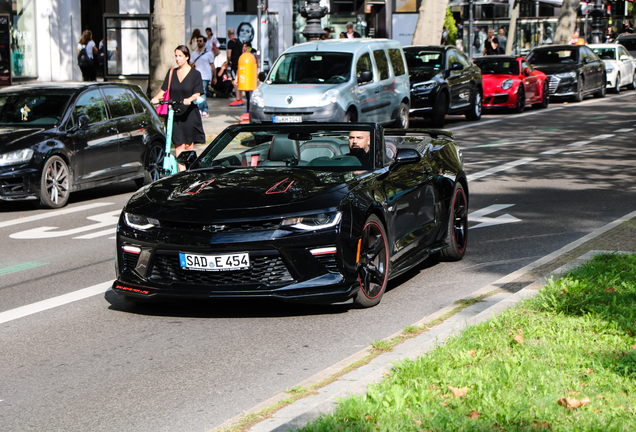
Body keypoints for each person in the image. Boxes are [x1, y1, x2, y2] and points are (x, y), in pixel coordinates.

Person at [151, 45, 205, 171]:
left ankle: (190, 172)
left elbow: (197, 93)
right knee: (178, 145)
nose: (177, 59)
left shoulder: (195, 74)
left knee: (188, 146)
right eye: (176, 56)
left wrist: (190, 99)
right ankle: (181, 174)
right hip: (175, 114)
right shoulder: (172, 73)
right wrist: (155, 99)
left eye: (180, 56)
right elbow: (164, 91)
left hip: (190, 114)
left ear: (186, 57)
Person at [192, 35, 216, 117]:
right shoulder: (193, 54)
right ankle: (203, 109)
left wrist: (214, 77)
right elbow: (191, 64)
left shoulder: (209, 54)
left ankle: (203, 110)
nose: (198, 42)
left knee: (203, 93)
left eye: (200, 41)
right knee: (198, 93)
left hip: (205, 76)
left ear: (205, 42)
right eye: (198, 41)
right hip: (195, 76)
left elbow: (213, 66)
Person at [226, 28, 244, 106]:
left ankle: (238, 99)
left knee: (235, 81)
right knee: (239, 81)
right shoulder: (239, 42)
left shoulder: (230, 42)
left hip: (234, 64)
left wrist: (228, 62)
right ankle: (240, 98)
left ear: (228, 34)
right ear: (235, 34)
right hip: (240, 64)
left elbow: (229, 55)